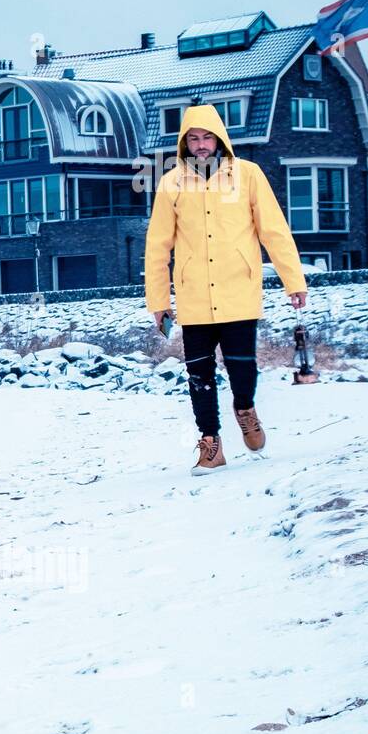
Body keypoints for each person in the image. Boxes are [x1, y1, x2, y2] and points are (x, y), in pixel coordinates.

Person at [144, 103, 308, 474]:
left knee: (241, 369)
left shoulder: (247, 175)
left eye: (207, 137)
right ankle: (211, 444)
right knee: (198, 374)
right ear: (184, 144)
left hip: (239, 291)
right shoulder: (171, 183)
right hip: (194, 296)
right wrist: (158, 301)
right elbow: (157, 246)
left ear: (219, 139)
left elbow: (274, 230)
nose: (201, 145)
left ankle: (246, 410)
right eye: (193, 139)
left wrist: (292, 280)